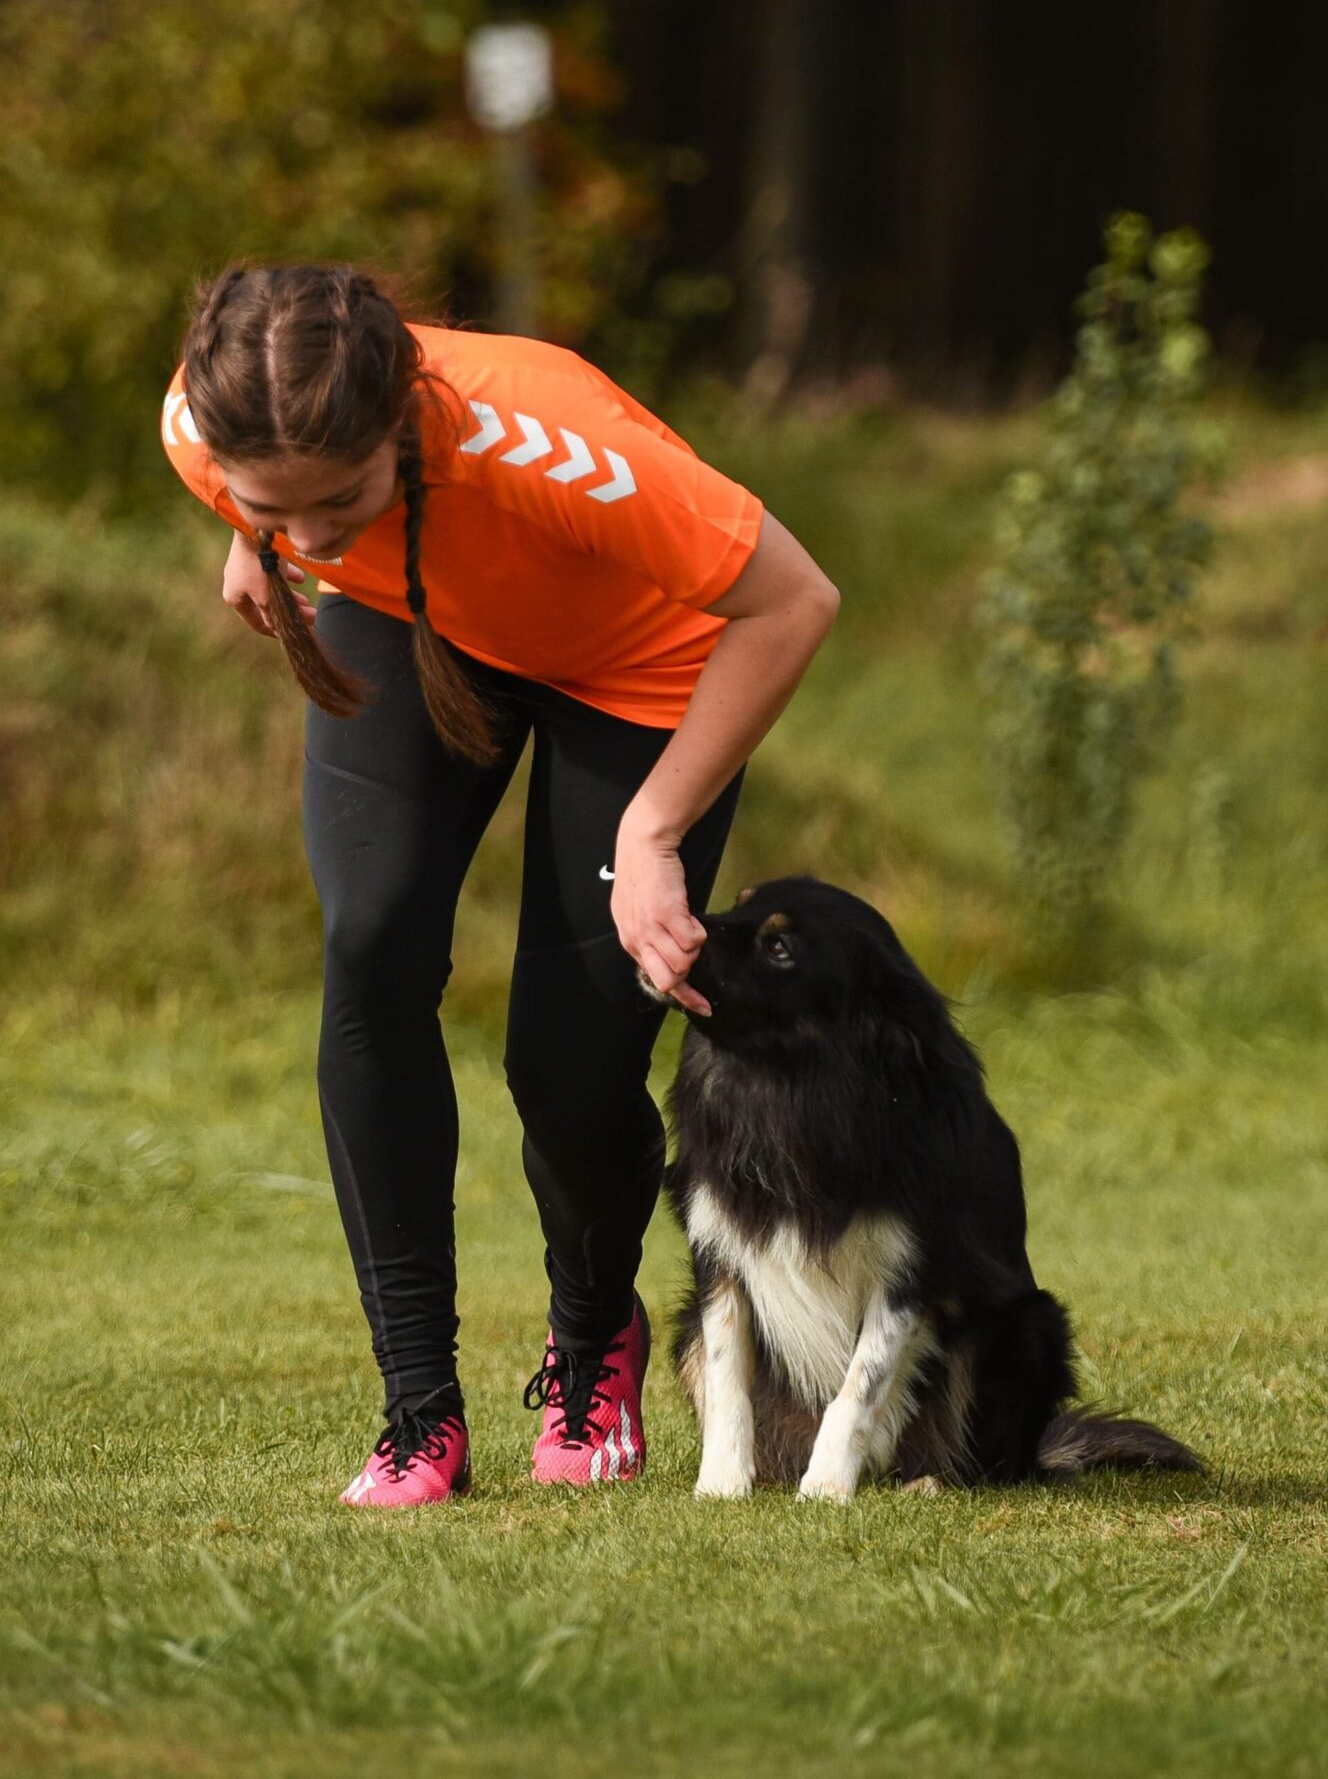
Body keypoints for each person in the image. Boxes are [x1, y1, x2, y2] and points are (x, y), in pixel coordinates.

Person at [161, 260, 840, 1506]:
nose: (308, 535)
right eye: (275, 507)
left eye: (338, 497)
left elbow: (793, 600)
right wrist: (248, 533)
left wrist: (653, 830)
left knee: (566, 1066)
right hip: (422, 617)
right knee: (370, 948)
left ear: (401, 421)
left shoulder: (546, 445)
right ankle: (417, 1409)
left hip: (640, 670)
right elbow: (289, 500)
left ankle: (594, 1337)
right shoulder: (210, 423)